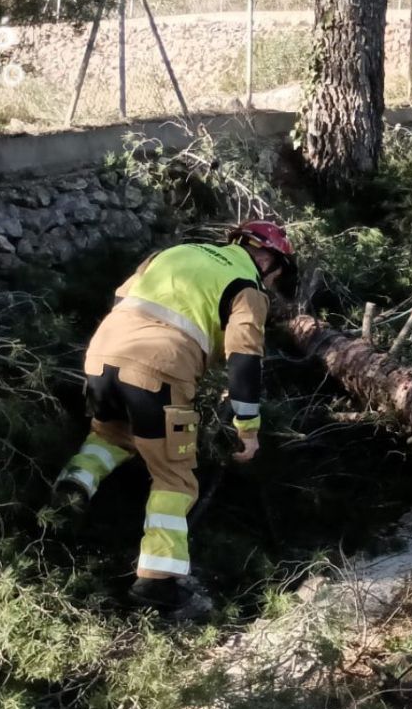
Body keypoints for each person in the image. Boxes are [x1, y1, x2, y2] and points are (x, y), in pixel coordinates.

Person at [54, 221, 298, 622]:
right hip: (159, 371)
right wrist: (248, 428)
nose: (273, 283)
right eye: (277, 274)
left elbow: (123, 297)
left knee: (110, 435)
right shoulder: (247, 288)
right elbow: (244, 358)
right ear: (267, 259)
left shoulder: (175, 252)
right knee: (175, 477)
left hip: (102, 356)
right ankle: (157, 580)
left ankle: (71, 491)